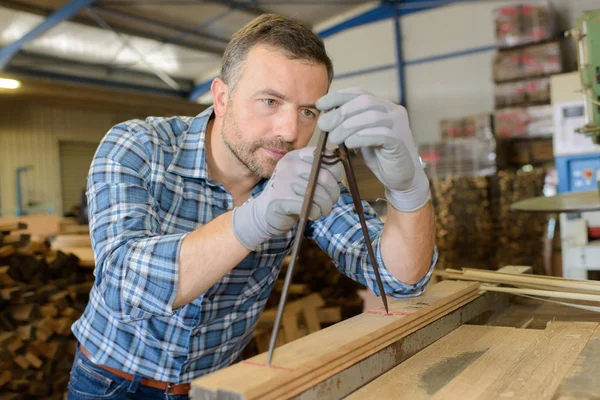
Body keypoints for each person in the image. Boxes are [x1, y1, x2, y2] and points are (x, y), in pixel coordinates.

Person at [66, 13, 437, 400]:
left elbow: (398, 279)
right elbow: (123, 288)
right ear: (222, 97)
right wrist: (255, 218)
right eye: (270, 101)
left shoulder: (301, 177)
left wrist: (409, 190)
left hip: (216, 388)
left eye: (308, 111)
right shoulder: (139, 146)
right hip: (110, 382)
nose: (289, 131)